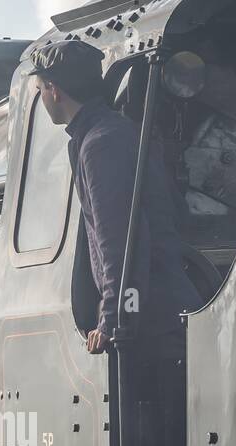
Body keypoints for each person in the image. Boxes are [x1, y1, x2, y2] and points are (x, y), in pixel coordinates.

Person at [24, 39, 200, 354]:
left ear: (54, 89)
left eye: (40, 89)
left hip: (153, 321)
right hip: (160, 309)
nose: (41, 96)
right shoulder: (112, 132)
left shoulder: (100, 144)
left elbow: (119, 241)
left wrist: (113, 319)